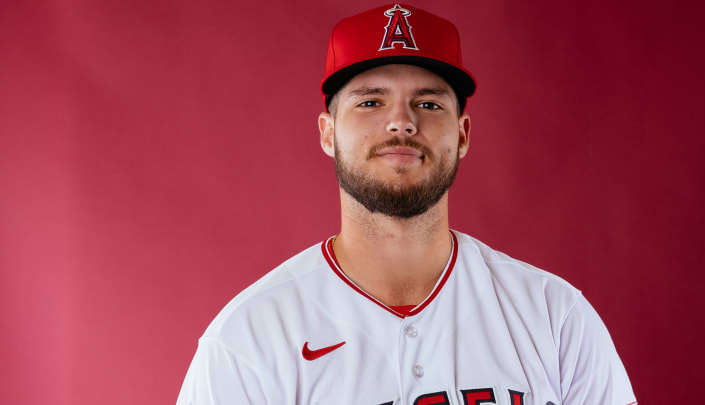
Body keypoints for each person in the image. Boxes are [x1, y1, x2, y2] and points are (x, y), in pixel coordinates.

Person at [177, 4, 637, 404]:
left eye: (430, 104)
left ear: (462, 135)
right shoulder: (250, 336)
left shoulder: (554, 317)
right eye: (371, 102)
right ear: (328, 133)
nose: (401, 122)